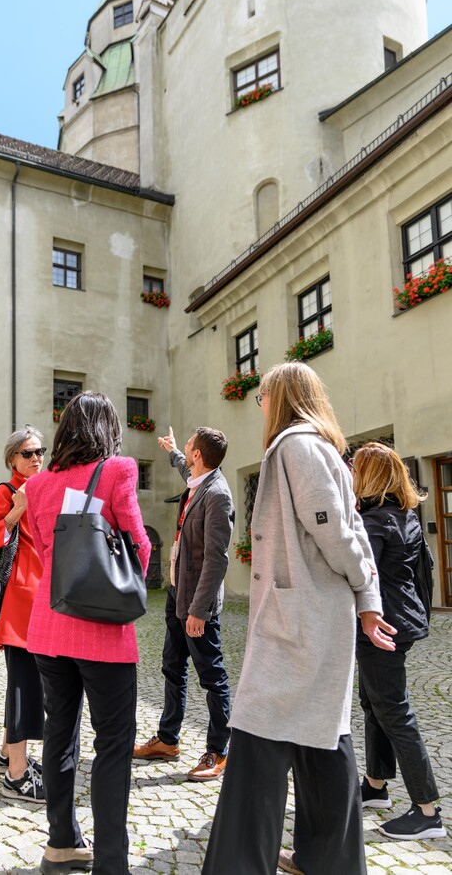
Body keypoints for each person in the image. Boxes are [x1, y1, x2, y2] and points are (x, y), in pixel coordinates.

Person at [201, 362, 396, 875]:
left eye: (263, 394)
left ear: (282, 396)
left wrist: (366, 592)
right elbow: (346, 528)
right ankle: (329, 859)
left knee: (261, 738)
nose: (259, 403)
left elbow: (336, 531)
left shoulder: (296, 446)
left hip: (302, 618)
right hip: (310, 613)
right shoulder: (314, 445)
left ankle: (239, 866)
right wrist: (366, 596)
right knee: (321, 738)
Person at [25, 391, 151, 875]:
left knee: (60, 734)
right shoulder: (117, 470)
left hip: (49, 627)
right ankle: (111, 862)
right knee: (114, 742)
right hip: (102, 631)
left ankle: (60, 844)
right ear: (109, 429)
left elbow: (41, 549)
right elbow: (139, 544)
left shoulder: (37, 485)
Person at [352, 442, 446, 840]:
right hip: (403, 620)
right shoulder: (403, 514)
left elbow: (359, 576)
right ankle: (375, 786)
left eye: (355, 469)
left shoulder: (374, 523)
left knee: (394, 712)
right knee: (374, 703)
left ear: (368, 476)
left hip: (383, 627)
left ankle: (427, 812)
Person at [134, 425, 234, 782]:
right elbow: (183, 466)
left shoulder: (217, 495)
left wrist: (198, 611)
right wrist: (173, 450)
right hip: (178, 593)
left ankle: (219, 751)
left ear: (199, 456)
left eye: (189, 446)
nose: (185, 451)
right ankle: (167, 739)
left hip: (196, 603)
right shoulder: (197, 479)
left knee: (212, 677)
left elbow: (217, 560)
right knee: (172, 667)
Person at [0, 427, 47, 803]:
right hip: (22, 601)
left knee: (26, 679)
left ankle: (8, 751)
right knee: (25, 682)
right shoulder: (6, 492)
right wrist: (15, 511)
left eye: (40, 451)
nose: (35, 457)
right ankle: (17, 774)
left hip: (43, 600)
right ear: (12, 460)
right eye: (27, 453)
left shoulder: (46, 486)